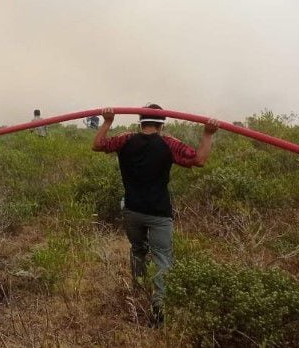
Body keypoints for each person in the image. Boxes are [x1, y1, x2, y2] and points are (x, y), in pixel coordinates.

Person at [92, 104, 219, 327]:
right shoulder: (168, 144)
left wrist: (108, 122)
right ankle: (158, 310)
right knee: (162, 258)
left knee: (138, 250)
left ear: (141, 120)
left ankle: (139, 291)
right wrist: (208, 134)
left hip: (132, 211)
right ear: (162, 123)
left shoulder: (125, 139)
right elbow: (199, 160)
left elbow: (97, 145)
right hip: (159, 214)